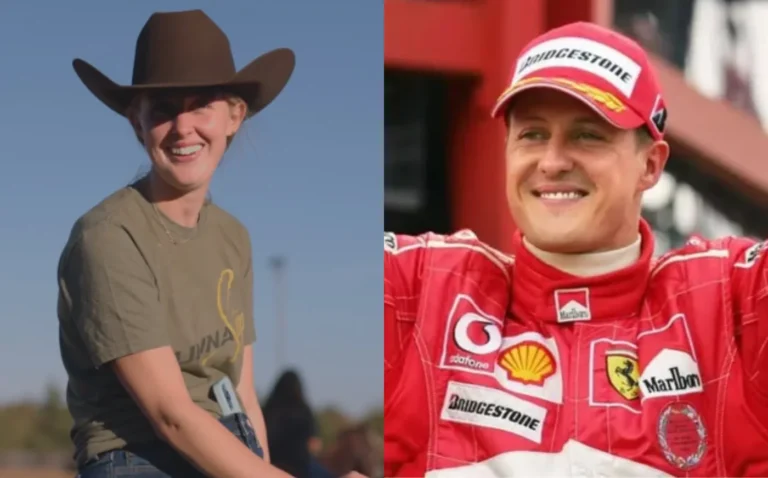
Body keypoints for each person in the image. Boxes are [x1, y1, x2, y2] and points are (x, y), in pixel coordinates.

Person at [384, 21, 768, 477]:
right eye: (532, 134)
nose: (552, 162)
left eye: (588, 135)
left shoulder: (729, 302)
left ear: (650, 165)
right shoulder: (422, 289)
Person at [57, 9, 302, 477]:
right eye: (163, 109)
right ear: (137, 123)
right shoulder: (108, 237)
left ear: (234, 116)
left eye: (201, 104)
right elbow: (171, 415)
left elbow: (243, 393)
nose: (183, 126)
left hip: (229, 444)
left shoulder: (233, 237)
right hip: (140, 457)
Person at [262, 369, 334, 478]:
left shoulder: (268, 409)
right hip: (300, 467)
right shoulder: (304, 410)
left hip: (269, 465)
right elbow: (315, 444)